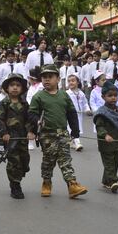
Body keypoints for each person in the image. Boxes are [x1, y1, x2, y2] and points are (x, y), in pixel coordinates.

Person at [28, 64, 88, 199]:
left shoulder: (64, 95)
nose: (47, 80)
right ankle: (46, 182)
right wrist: (36, 122)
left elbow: (71, 113)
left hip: (62, 134)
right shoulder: (38, 96)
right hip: (46, 135)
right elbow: (31, 113)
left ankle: (72, 185)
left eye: (50, 77)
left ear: (58, 78)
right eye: (44, 77)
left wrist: (75, 130)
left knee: (65, 159)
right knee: (48, 161)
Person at [0, 73, 33, 199]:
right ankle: (15, 186)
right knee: (14, 162)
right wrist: (4, 133)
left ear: (22, 88)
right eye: (12, 85)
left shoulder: (24, 103)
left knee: (24, 160)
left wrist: (30, 131)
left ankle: (19, 175)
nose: (15, 88)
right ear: (7, 88)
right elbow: (0, 120)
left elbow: (29, 119)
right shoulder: (4, 103)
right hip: (11, 138)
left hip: (23, 137)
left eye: (18, 85)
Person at [93, 81, 118, 193]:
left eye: (115, 95)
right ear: (103, 97)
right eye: (110, 96)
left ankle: (105, 181)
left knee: (115, 163)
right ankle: (113, 181)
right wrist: (105, 135)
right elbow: (99, 127)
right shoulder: (101, 113)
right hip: (106, 143)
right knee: (109, 163)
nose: (113, 98)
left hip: (117, 142)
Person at [66, 73, 91, 151]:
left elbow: (85, 103)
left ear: (78, 82)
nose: (71, 83)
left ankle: (72, 141)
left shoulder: (81, 93)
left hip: (79, 114)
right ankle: (77, 142)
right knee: (73, 127)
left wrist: (87, 109)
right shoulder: (66, 93)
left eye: (73, 81)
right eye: (69, 81)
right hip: (70, 114)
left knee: (77, 127)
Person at [26, 67, 43, 150]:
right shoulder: (31, 88)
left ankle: (41, 140)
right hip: (32, 108)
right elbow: (28, 97)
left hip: (41, 108)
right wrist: (30, 105)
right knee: (31, 125)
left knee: (41, 124)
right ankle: (30, 142)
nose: (29, 80)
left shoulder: (41, 86)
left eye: (30, 79)